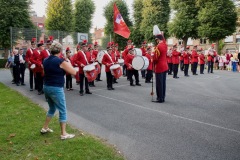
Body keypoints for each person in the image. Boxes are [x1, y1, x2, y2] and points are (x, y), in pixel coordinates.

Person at [41, 41, 76, 140]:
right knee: (63, 110)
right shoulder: (60, 61)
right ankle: (63, 134)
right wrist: (68, 62)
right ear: (60, 51)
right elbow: (73, 72)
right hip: (56, 87)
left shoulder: (46, 60)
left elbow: (44, 72)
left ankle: (45, 127)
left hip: (46, 86)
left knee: (52, 108)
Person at [152, 33, 168, 103]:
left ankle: (159, 98)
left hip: (159, 66)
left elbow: (155, 58)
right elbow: (163, 40)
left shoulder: (158, 47)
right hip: (165, 66)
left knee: (159, 83)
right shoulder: (165, 45)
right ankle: (163, 97)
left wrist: (152, 57)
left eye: (157, 40)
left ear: (158, 39)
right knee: (163, 83)